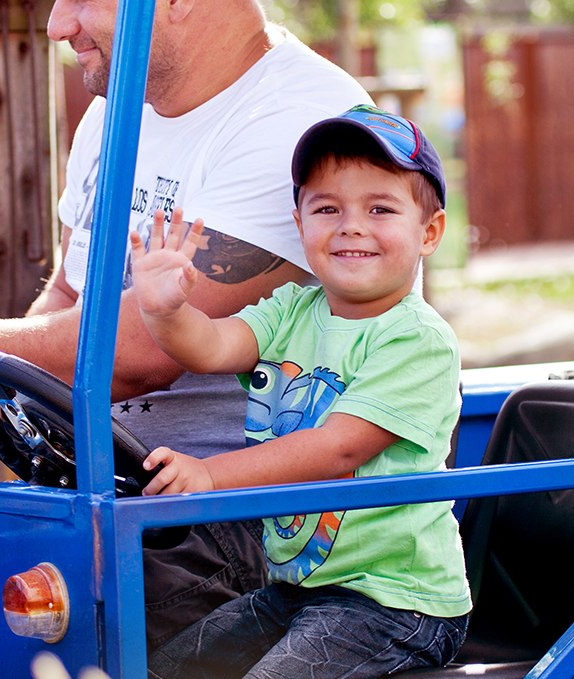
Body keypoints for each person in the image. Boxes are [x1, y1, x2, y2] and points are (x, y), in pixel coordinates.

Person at [0, 0, 372, 649]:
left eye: (82, 0)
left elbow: (142, 347)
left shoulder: (303, 124)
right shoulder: (111, 115)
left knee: (38, 618)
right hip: (126, 497)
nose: (57, 27)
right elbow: (72, 295)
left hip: (267, 523)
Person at [132, 105, 468, 678]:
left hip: (394, 602)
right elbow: (211, 347)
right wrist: (165, 310)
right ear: (299, 222)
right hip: (294, 590)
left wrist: (211, 475)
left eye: (380, 208)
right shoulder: (294, 308)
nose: (351, 225)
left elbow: (338, 449)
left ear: (429, 231)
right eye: (327, 208)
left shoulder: (418, 339)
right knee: (164, 669)